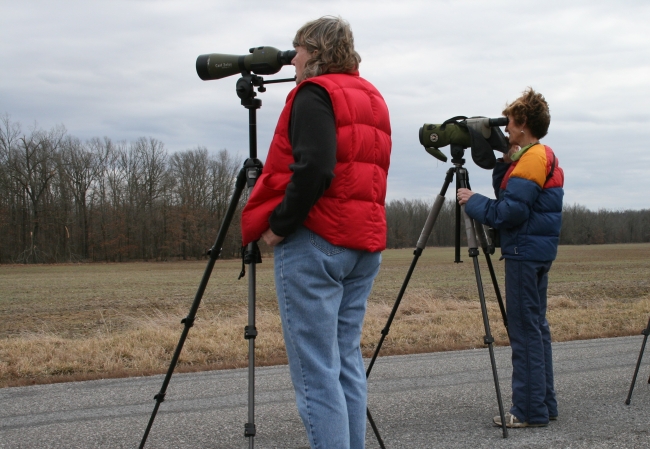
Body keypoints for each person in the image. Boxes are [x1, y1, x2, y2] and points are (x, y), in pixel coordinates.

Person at [241, 16, 391, 448]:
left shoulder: (314, 93)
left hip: (316, 242)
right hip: (363, 245)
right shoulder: (371, 97)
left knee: (316, 374)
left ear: (316, 52)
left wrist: (278, 226)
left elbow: (316, 168)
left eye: (299, 50)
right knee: (345, 364)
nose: (294, 59)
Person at [457, 88, 564, 428]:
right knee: (536, 328)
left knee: (524, 331)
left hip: (524, 252)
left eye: (510, 122)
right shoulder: (537, 156)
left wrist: (473, 201)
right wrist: (505, 161)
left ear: (523, 123)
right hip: (537, 251)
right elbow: (510, 194)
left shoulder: (532, 159)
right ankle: (543, 404)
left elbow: (509, 212)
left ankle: (528, 411)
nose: (505, 129)